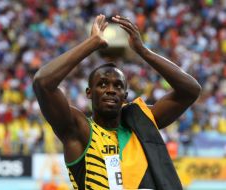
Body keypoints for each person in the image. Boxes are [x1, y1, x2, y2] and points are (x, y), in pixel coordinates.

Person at [33, 14, 201, 190]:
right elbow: (43, 83)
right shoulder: (79, 130)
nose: (111, 89)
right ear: (89, 93)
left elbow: (190, 90)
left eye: (118, 86)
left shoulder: (140, 123)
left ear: (125, 95)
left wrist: (143, 51)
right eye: (103, 84)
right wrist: (92, 43)